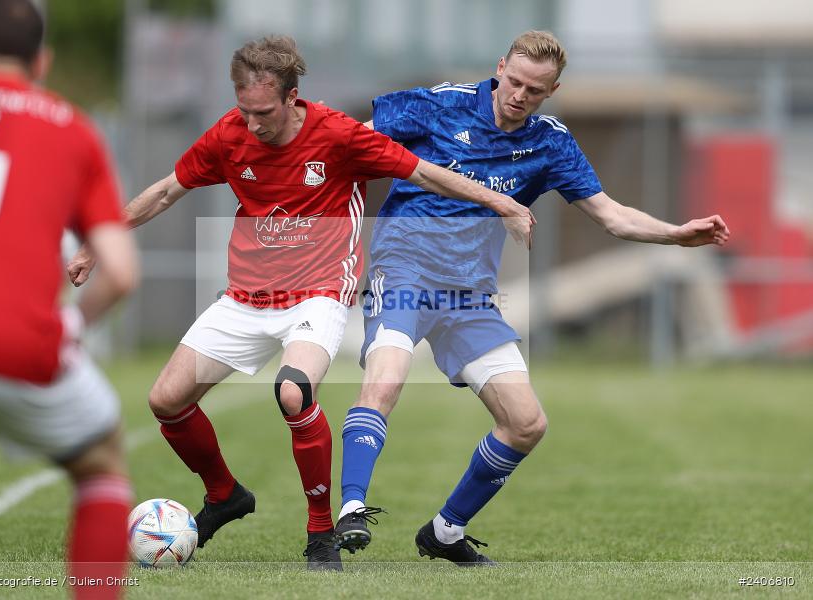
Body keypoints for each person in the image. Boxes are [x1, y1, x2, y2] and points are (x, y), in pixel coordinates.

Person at [67, 35, 535, 570]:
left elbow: (426, 172)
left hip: (319, 293)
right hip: (245, 296)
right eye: (244, 110)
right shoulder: (229, 135)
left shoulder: (339, 135)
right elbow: (166, 191)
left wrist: (502, 203)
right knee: (165, 401)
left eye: (263, 112)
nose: (252, 123)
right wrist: (96, 245)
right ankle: (224, 494)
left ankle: (320, 532)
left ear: (292, 98)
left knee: (293, 391)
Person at [334, 30, 730, 565]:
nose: (519, 94)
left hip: (470, 295)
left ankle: (445, 532)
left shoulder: (549, 142)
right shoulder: (438, 105)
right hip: (406, 268)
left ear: (553, 90)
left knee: (526, 424)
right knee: (385, 380)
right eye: (514, 81)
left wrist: (678, 233)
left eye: (535, 90)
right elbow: (343, 138)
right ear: (500, 67)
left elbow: (612, 215)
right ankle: (351, 510)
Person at [0, 1, 138, 598]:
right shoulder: (75, 130)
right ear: (42, 61)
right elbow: (120, 271)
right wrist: (69, 327)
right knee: (102, 464)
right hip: (17, 339)